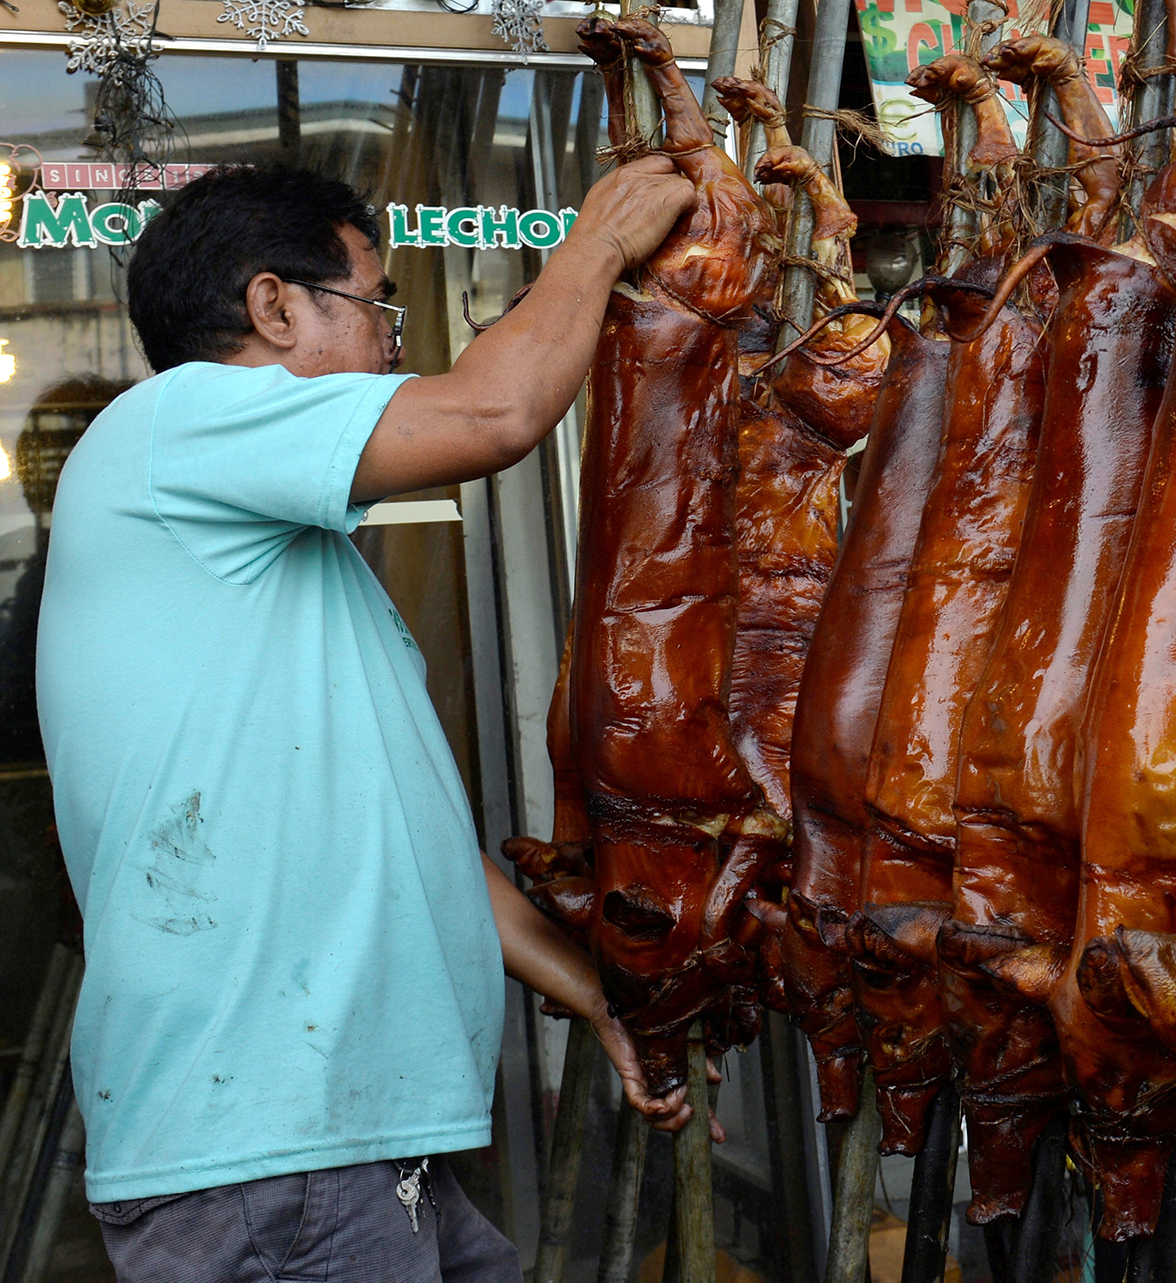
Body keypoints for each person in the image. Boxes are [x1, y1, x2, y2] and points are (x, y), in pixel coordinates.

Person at [36, 160, 696, 1280]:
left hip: (346, 1140)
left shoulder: (292, 566)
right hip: (265, 1153)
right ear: (273, 306)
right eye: (378, 306)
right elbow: (499, 412)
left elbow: (416, 847)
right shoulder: (173, 421)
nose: (397, 343)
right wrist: (596, 244)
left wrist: (597, 993)